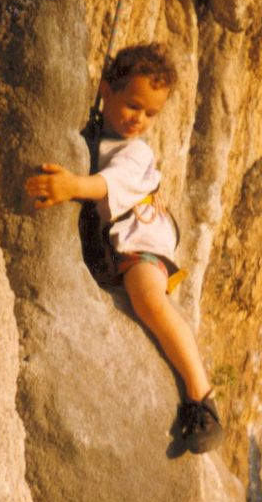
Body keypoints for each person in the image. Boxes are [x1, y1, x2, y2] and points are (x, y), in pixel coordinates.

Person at [24, 43, 223, 453]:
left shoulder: (136, 152)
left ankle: (202, 398)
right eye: (133, 105)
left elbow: (106, 185)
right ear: (105, 91)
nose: (140, 120)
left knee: (148, 299)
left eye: (151, 113)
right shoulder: (95, 132)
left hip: (142, 236)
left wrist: (72, 186)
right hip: (117, 236)